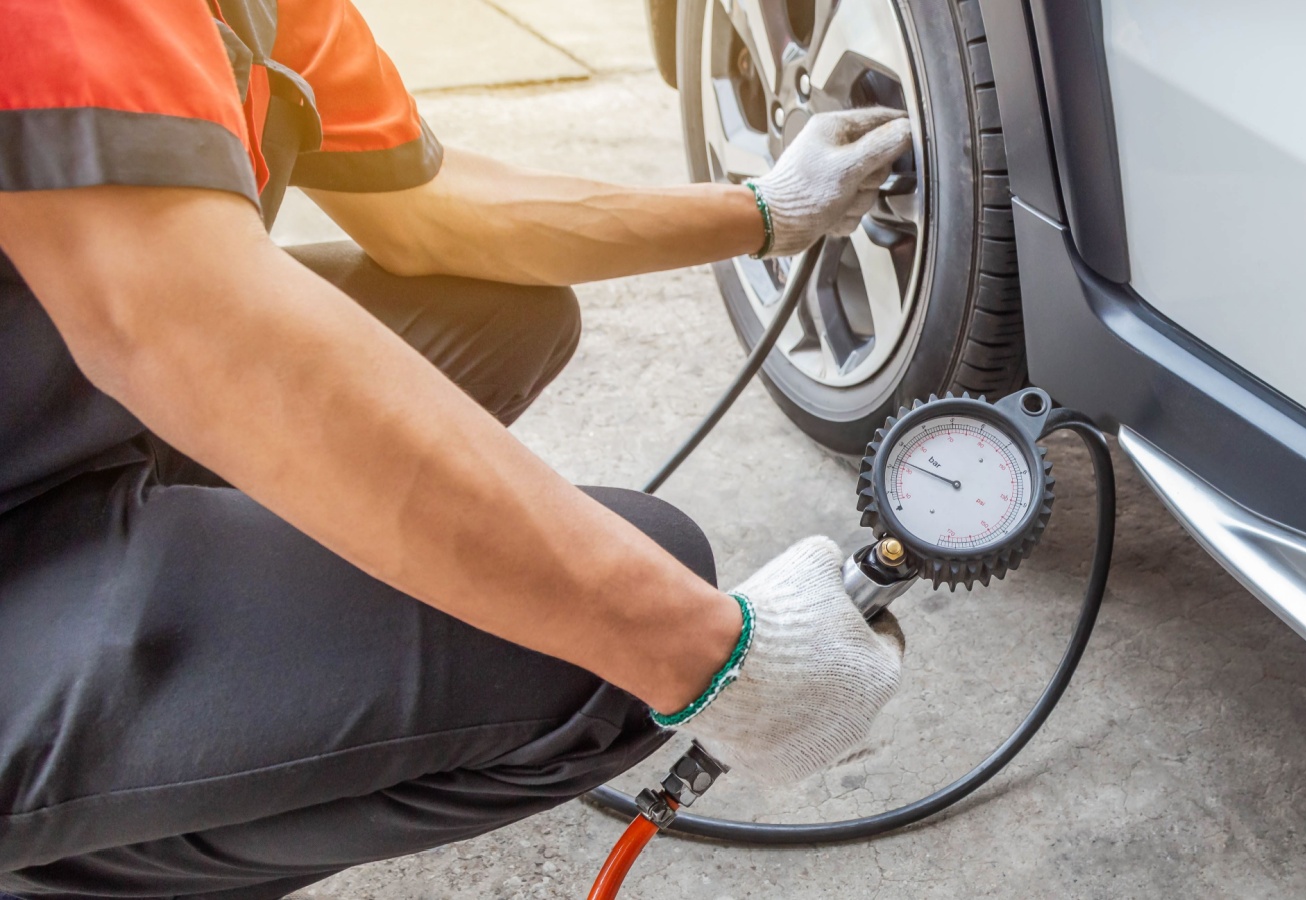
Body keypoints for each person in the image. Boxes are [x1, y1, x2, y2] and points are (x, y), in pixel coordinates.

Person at [0, 1, 913, 897]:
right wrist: (707, 652)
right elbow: (181, 323)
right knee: (613, 653)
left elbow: (429, 210)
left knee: (501, 315)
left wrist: (767, 210)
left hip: (45, 425)